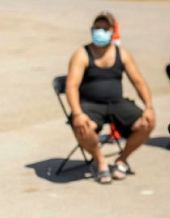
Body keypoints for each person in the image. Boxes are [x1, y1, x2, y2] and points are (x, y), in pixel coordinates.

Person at [66, 12, 155, 184]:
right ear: (91, 30)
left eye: (105, 28)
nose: (100, 31)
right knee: (83, 127)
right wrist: (77, 113)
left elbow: (139, 82)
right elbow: (71, 86)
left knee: (147, 122)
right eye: (97, 28)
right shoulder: (82, 54)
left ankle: (122, 159)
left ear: (113, 31)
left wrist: (149, 106)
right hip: (90, 105)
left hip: (117, 103)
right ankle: (100, 161)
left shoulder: (122, 54)